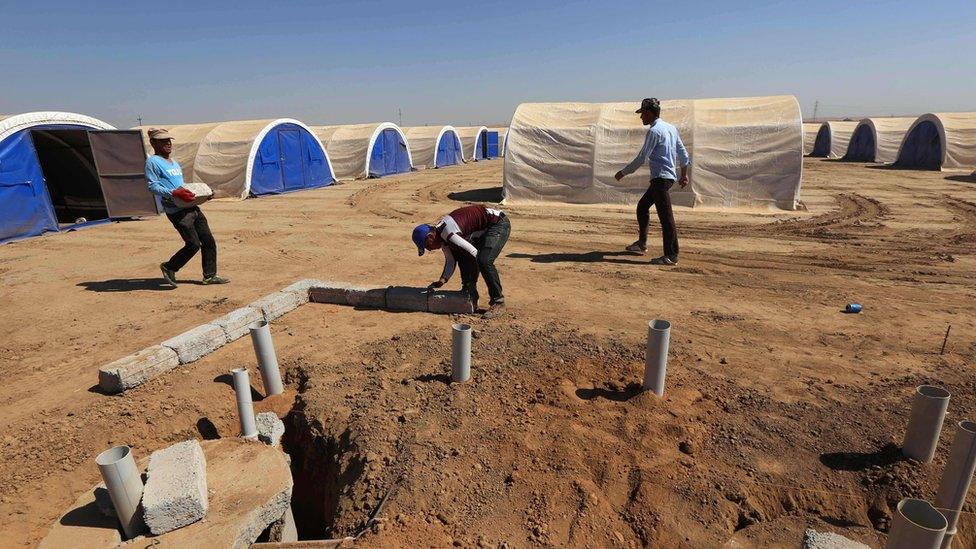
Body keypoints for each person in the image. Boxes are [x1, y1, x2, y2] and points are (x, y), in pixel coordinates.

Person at [145, 128, 229, 286]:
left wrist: (200, 194)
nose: (168, 143)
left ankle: (210, 275)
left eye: (169, 140)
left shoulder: (173, 162)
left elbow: (180, 185)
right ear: (153, 143)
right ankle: (169, 267)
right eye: (163, 141)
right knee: (193, 244)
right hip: (176, 211)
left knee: (208, 241)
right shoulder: (152, 162)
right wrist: (174, 193)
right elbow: (152, 186)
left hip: (191, 206)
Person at [614, 97, 690, 265]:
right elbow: (683, 153)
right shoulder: (671, 128)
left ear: (649, 113)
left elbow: (642, 157)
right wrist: (684, 174)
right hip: (666, 178)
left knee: (666, 217)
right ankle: (642, 243)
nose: (641, 117)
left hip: (660, 179)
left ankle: (671, 255)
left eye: (642, 114)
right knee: (642, 207)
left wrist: (623, 172)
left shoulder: (654, 131)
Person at [412, 204, 511, 319]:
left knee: (484, 261)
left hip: (497, 223)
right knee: (462, 255)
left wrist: (472, 280)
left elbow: (474, 254)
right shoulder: (442, 237)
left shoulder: (449, 235)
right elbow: (451, 260)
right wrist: (443, 280)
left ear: (430, 237)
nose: (429, 249)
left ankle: (498, 302)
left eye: (427, 246)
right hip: (481, 230)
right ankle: (469, 294)